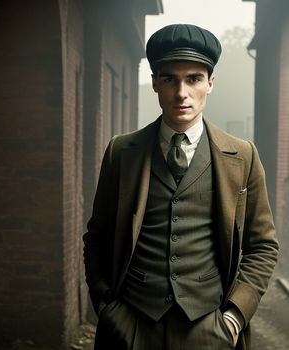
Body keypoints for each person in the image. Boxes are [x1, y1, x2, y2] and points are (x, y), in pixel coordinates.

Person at [83, 24, 279, 350]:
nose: (181, 92)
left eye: (193, 79)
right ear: (156, 83)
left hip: (208, 326)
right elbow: (97, 237)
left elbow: (263, 246)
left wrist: (233, 316)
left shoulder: (242, 156)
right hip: (131, 325)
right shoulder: (121, 152)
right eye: (170, 78)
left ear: (210, 83)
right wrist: (106, 305)